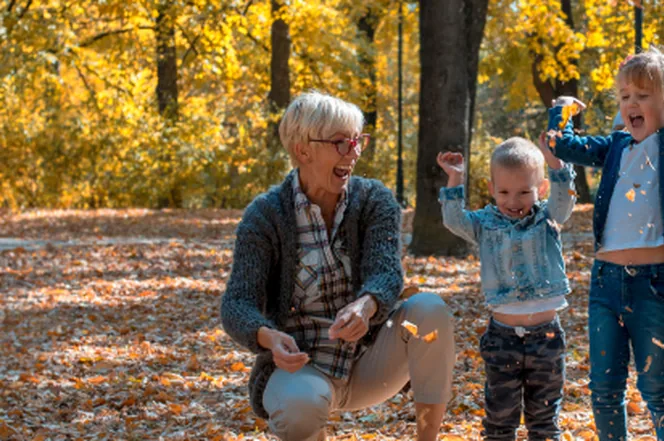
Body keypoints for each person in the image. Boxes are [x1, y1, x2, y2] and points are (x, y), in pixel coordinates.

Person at [220, 91, 455, 441]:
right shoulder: (265, 215)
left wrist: (367, 304)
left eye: (358, 141)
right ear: (303, 150)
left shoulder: (374, 200)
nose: (354, 152)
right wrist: (268, 339)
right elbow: (237, 304)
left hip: (370, 362)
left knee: (430, 310)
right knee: (301, 410)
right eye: (341, 143)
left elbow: (386, 273)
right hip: (301, 369)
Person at [544, 10, 664, 441]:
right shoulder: (614, 148)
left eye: (642, 95)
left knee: (655, 389)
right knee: (604, 390)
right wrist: (559, 112)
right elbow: (561, 145)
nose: (630, 105)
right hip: (604, 284)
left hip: (654, 285)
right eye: (624, 96)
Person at [435, 137, 576, 440]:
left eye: (524, 192)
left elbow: (565, 200)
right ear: (491, 189)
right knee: (499, 419)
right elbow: (454, 220)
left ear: (541, 189)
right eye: (504, 192)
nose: (514, 201)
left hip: (546, 338)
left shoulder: (547, 217)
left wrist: (555, 162)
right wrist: (456, 177)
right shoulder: (485, 223)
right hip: (502, 338)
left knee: (544, 420)